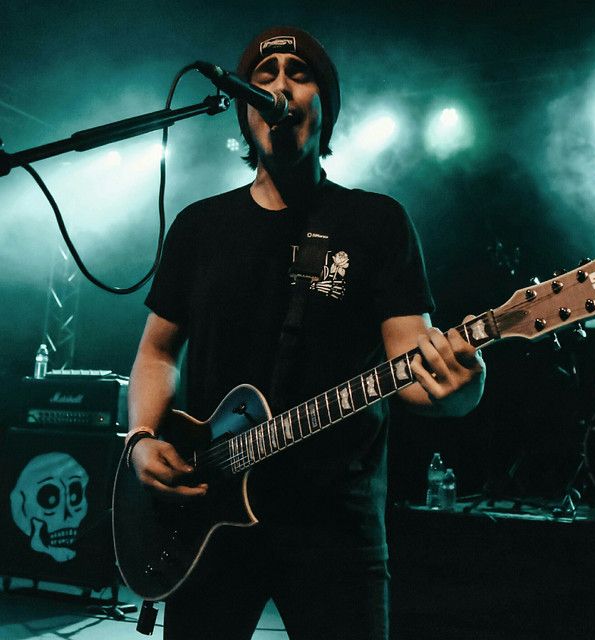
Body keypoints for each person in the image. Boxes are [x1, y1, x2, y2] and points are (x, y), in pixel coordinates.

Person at [125, 26, 485, 640]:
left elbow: (413, 369)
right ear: (243, 109)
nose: (280, 87)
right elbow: (157, 352)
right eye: (263, 77)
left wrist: (461, 389)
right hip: (209, 511)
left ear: (326, 107)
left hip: (334, 526)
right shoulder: (199, 226)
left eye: (300, 74)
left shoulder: (376, 222)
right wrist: (140, 439)